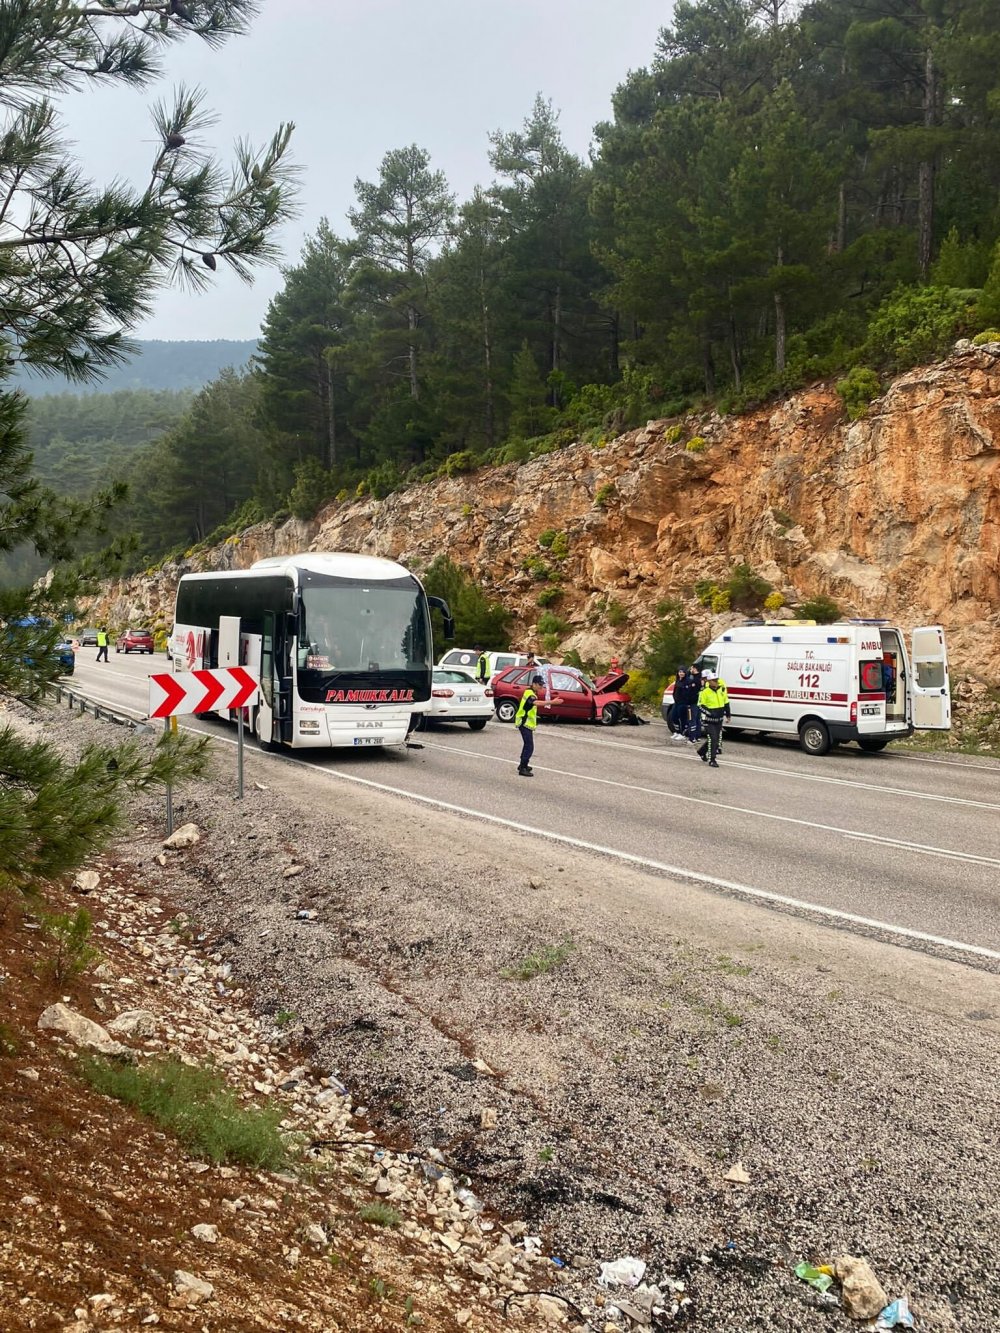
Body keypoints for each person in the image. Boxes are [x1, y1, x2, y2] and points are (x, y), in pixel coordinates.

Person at [514, 673, 561, 776]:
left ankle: (523, 765)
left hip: (526, 722)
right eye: (539, 684)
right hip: (524, 722)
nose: (541, 687)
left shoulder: (531, 692)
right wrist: (552, 702)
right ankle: (523, 768)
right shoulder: (530, 693)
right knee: (529, 746)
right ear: (534, 684)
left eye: (542, 685)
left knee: (527, 745)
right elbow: (536, 703)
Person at [697, 670, 730, 767]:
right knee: (713, 738)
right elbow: (700, 705)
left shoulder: (721, 690)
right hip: (709, 720)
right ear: (709, 681)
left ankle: (702, 751)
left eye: (717, 680)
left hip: (719, 720)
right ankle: (712, 759)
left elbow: (726, 702)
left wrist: (728, 714)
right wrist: (709, 713)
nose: (716, 682)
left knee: (715, 739)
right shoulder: (704, 692)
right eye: (714, 680)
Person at [685, 664, 703, 740]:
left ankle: (692, 738)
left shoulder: (695, 680)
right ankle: (698, 736)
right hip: (699, 703)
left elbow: (691, 692)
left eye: (691, 668)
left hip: (693, 703)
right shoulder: (700, 678)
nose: (690, 670)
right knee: (698, 720)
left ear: (695, 669)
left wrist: (688, 703)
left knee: (692, 720)